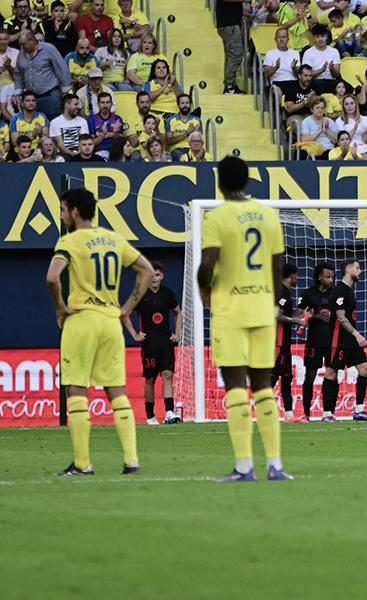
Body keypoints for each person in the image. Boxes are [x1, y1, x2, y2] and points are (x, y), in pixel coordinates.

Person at [47, 187, 154, 475]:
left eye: (62, 209)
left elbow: (53, 278)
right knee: (116, 390)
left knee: (76, 389)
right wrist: (127, 308)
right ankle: (131, 461)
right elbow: (146, 270)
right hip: (110, 322)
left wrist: (60, 308)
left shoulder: (69, 241)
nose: (61, 215)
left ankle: (83, 463)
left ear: (75, 212)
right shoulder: (114, 239)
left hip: (81, 319)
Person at [197, 156, 291, 481]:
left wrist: (205, 293)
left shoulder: (216, 217)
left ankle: (243, 467)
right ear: (247, 180)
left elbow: (207, 264)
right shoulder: (268, 215)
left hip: (230, 309)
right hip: (262, 309)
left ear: (220, 182)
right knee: (263, 384)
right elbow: (278, 266)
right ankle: (275, 465)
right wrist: (275, 301)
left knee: (236, 385)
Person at [121, 260, 183, 425]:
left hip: (165, 342)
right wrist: (135, 334)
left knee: (167, 375)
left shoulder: (168, 294)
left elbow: (178, 313)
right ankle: (150, 416)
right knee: (150, 378)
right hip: (148, 343)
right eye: (151, 275)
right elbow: (124, 314)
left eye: (157, 275)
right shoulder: (139, 294)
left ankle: (169, 412)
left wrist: (177, 334)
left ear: (161, 276)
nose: (154, 278)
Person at [320, 258, 367, 422]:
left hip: (350, 341)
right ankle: (327, 414)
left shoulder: (349, 291)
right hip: (337, 340)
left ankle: (359, 410)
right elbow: (340, 316)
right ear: (348, 270)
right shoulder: (339, 291)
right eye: (358, 268)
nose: (360, 271)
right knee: (331, 372)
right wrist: (357, 335)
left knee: (364, 369)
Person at [270, 263, 312, 422]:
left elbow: (285, 315)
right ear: (292, 275)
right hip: (278, 342)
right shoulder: (282, 291)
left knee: (287, 376)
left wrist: (300, 315)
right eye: (297, 275)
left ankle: (289, 415)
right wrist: (297, 321)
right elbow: (277, 316)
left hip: (284, 342)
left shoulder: (285, 292)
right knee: (273, 376)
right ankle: (263, 412)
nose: (297, 279)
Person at [294, 263, 335, 422]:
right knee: (310, 376)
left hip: (332, 342)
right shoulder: (308, 295)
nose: (330, 280)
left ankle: (328, 413)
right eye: (327, 276)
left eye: (332, 277)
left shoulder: (336, 294)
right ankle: (306, 414)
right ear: (319, 277)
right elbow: (297, 318)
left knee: (331, 375)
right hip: (314, 341)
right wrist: (313, 317)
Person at [14, 30, 70, 120]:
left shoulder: (49, 49)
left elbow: (62, 69)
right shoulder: (22, 53)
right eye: (20, 44)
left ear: (32, 40)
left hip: (50, 97)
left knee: (54, 125)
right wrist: (18, 92)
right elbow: (18, 73)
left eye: (23, 44)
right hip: (31, 100)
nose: (21, 47)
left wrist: (65, 91)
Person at [216, 0, 245, 94]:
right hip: (229, 24)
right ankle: (229, 86)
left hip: (229, 23)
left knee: (231, 55)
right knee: (235, 54)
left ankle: (229, 85)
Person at [264, 28, 302, 94]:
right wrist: (276, 67)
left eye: (284, 37)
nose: (281, 40)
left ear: (288, 39)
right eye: (279, 37)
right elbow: (267, 75)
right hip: (277, 82)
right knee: (278, 91)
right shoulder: (270, 53)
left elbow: (299, 75)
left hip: (292, 82)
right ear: (275, 39)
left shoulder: (295, 53)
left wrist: (293, 67)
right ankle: (280, 105)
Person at [50, 93, 89, 157]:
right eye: (76, 104)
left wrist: (78, 153)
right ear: (67, 105)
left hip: (80, 153)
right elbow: (60, 144)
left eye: (78, 104)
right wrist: (72, 154)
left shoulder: (83, 121)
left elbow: (84, 141)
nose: (78, 107)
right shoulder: (55, 122)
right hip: (63, 154)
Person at [165, 94, 202, 161]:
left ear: (190, 104)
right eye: (182, 103)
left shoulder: (197, 120)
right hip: (176, 149)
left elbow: (200, 141)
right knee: (184, 158)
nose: (185, 105)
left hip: (193, 149)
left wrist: (196, 133)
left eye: (187, 103)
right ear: (178, 105)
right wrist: (186, 134)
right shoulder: (171, 120)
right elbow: (169, 141)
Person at [86, 91, 122, 157]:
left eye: (107, 102)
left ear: (111, 104)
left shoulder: (117, 119)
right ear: (98, 104)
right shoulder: (91, 120)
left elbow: (121, 143)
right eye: (102, 103)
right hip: (98, 151)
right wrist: (103, 134)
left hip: (114, 151)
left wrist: (116, 133)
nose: (105, 106)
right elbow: (91, 144)